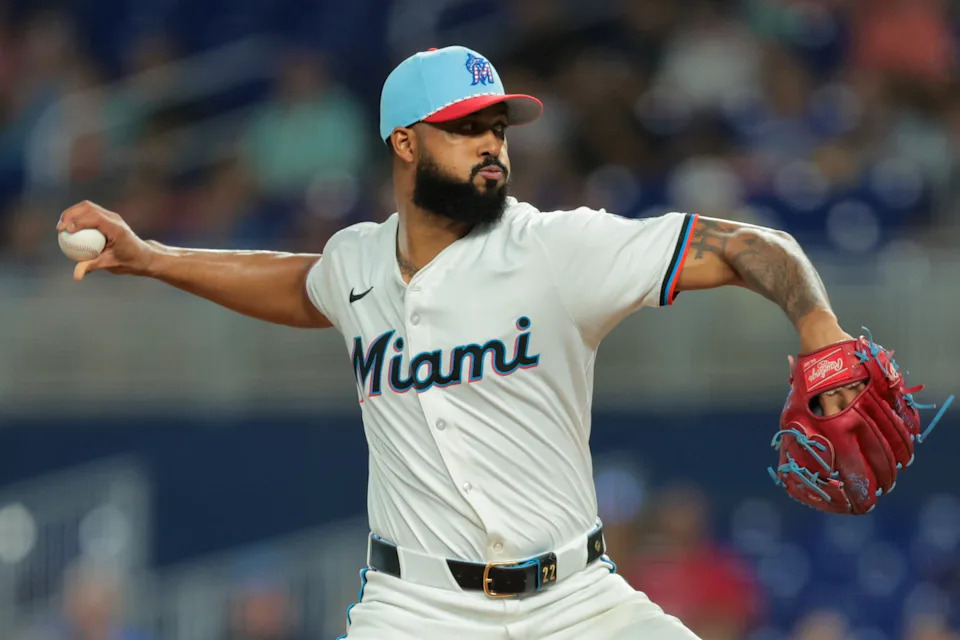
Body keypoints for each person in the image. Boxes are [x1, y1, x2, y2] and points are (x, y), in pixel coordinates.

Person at [57, 45, 862, 640]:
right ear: (404, 143)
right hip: (416, 611)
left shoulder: (556, 248)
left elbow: (748, 246)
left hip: (575, 603)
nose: (491, 145)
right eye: (464, 128)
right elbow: (297, 285)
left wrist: (817, 325)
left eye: (497, 127)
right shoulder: (358, 264)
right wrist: (155, 257)